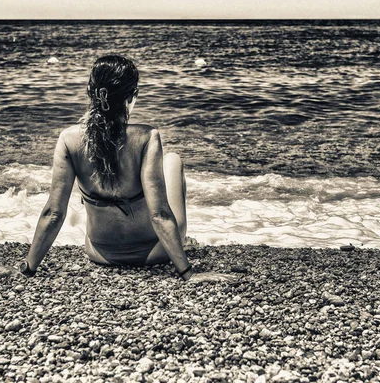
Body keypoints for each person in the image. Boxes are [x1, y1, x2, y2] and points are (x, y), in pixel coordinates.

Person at [19, 55, 235, 282]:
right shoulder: (146, 137)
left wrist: (28, 268)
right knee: (172, 160)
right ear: (133, 96)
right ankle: (180, 242)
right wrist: (187, 273)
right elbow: (159, 213)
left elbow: (53, 213)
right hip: (155, 253)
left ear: (90, 92)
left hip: (100, 253)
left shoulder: (68, 138)